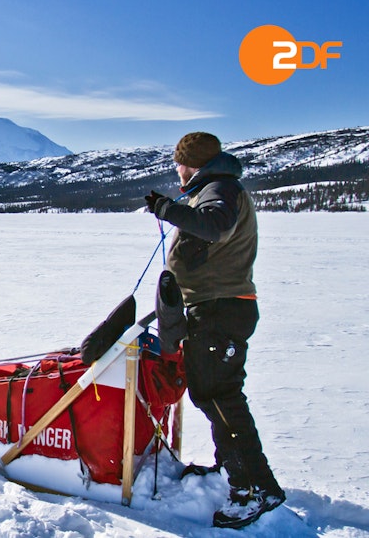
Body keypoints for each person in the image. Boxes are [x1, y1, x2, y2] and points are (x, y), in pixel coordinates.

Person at [145, 132, 285, 529]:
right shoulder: (212, 187)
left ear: (192, 163)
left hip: (222, 309)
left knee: (219, 396)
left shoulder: (220, 188)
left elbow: (215, 226)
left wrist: (170, 210)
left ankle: (254, 488)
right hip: (214, 308)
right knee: (214, 394)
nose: (177, 171)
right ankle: (233, 469)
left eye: (179, 164)